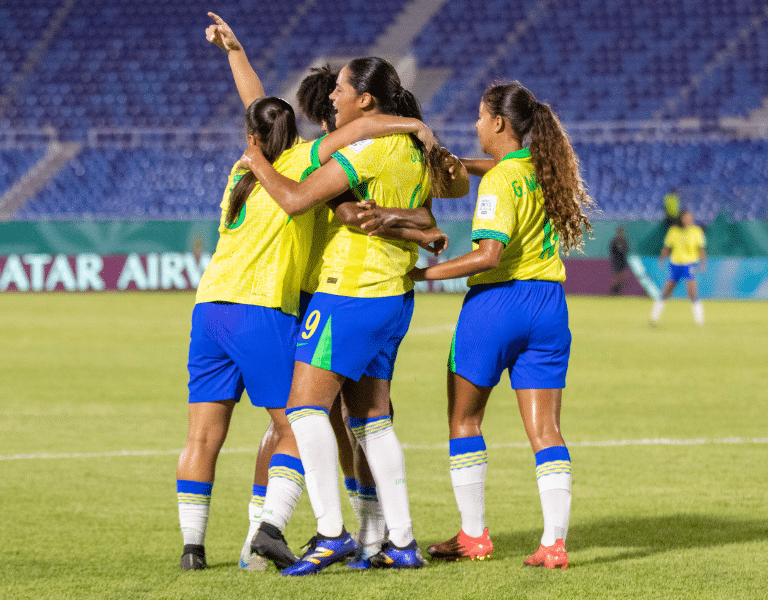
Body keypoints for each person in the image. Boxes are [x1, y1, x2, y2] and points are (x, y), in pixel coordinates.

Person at [204, 13, 447, 570]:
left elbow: (293, 195)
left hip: (344, 291)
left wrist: (258, 161)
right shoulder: (406, 151)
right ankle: (396, 540)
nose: (333, 100)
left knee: (303, 412)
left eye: (339, 91)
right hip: (390, 294)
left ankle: (326, 532)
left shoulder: (349, 151)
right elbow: (437, 208)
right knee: (369, 422)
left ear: (364, 101)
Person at [408, 82, 592, 568]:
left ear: (498, 124)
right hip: (549, 306)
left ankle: (473, 536)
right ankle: (554, 545)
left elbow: (489, 253)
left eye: (480, 116)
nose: (475, 125)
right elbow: (502, 167)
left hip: (497, 305)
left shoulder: (497, 185)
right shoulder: (543, 169)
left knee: (464, 420)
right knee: (547, 432)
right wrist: (461, 163)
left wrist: (424, 273)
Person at [650, 210, 706, 326]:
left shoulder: (696, 231)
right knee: (666, 291)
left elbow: (701, 249)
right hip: (675, 264)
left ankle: (700, 321)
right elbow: (667, 247)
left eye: (690, 217)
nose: (689, 220)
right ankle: (654, 317)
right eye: (686, 217)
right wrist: (662, 258)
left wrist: (703, 262)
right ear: (681, 219)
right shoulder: (673, 231)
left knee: (692, 293)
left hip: (689, 264)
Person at [609, 226, 629, 295]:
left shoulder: (624, 241)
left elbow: (626, 250)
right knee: (617, 276)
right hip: (616, 260)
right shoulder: (615, 241)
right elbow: (612, 250)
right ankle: (613, 290)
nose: (621, 233)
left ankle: (616, 291)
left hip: (622, 260)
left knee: (622, 276)